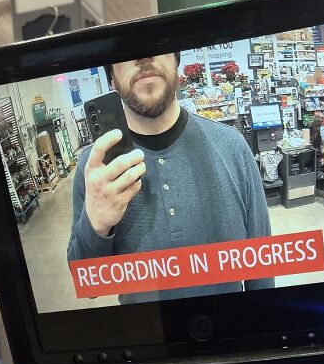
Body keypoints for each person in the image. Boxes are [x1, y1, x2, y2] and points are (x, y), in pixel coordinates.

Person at [67, 53, 274, 303]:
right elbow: (88, 286)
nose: (144, 56)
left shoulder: (232, 147)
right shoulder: (96, 169)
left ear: (177, 62)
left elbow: (262, 268)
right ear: (111, 77)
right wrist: (96, 226)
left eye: (157, 41)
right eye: (126, 48)